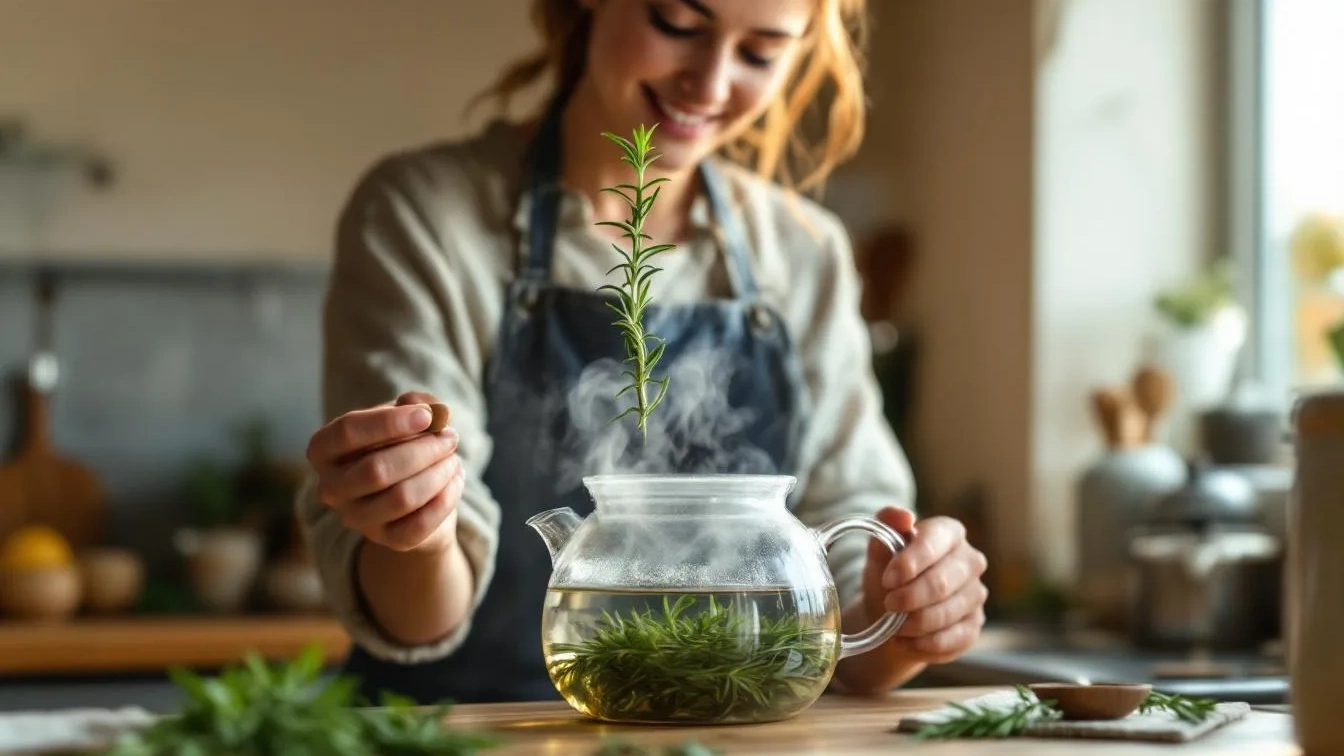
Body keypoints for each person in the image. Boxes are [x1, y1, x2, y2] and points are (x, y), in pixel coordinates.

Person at [297, 0, 989, 705]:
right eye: (678, 25)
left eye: (761, 52)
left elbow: (850, 580)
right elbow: (415, 616)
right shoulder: (425, 215)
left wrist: (910, 611)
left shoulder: (803, 253)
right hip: (459, 731)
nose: (711, 84)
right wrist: (413, 521)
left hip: (727, 740)